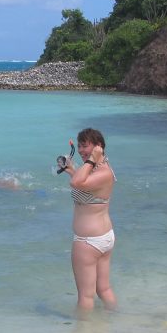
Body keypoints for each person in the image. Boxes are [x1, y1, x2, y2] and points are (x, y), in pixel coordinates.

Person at [64, 127, 117, 312]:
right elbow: (84, 185)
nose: (80, 150)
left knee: (86, 296)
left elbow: (77, 183)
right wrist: (72, 170)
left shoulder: (103, 172)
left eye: (85, 146)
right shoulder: (99, 171)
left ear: (98, 147)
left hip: (88, 242)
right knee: (103, 289)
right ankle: (116, 319)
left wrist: (92, 158)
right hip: (103, 238)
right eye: (78, 146)